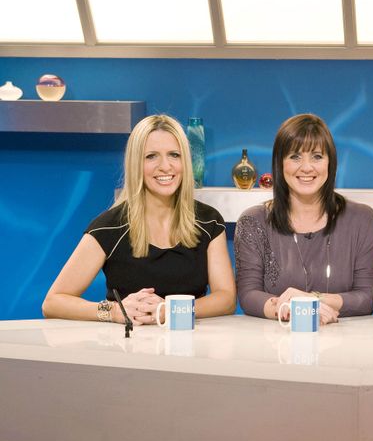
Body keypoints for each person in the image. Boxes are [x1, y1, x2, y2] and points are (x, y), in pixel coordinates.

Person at [42, 115, 236, 324]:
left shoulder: (208, 221)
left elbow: (226, 299)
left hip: (190, 345)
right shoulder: (109, 226)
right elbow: (53, 302)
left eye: (174, 155)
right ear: (136, 163)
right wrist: (116, 311)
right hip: (127, 348)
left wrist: (169, 310)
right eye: (151, 156)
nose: (165, 166)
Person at [234, 114, 373, 324]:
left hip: (345, 347)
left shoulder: (362, 220)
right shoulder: (253, 221)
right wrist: (292, 310)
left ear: (330, 163)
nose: (306, 167)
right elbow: (248, 295)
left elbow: (368, 297)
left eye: (317, 156)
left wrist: (312, 300)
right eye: (295, 156)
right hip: (277, 345)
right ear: (280, 163)